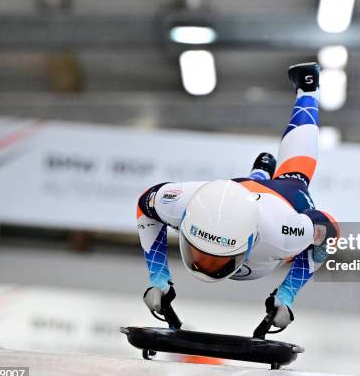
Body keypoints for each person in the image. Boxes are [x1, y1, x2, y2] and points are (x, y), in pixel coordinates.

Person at [136, 63, 339, 328]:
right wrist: (157, 278)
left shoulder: (285, 232)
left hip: (280, 202)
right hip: (234, 190)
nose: (206, 264)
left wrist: (288, 293)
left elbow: (330, 230)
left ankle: (308, 91)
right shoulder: (184, 201)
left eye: (215, 259)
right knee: (255, 184)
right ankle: (258, 176)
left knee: (296, 176)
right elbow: (146, 203)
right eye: (200, 254)